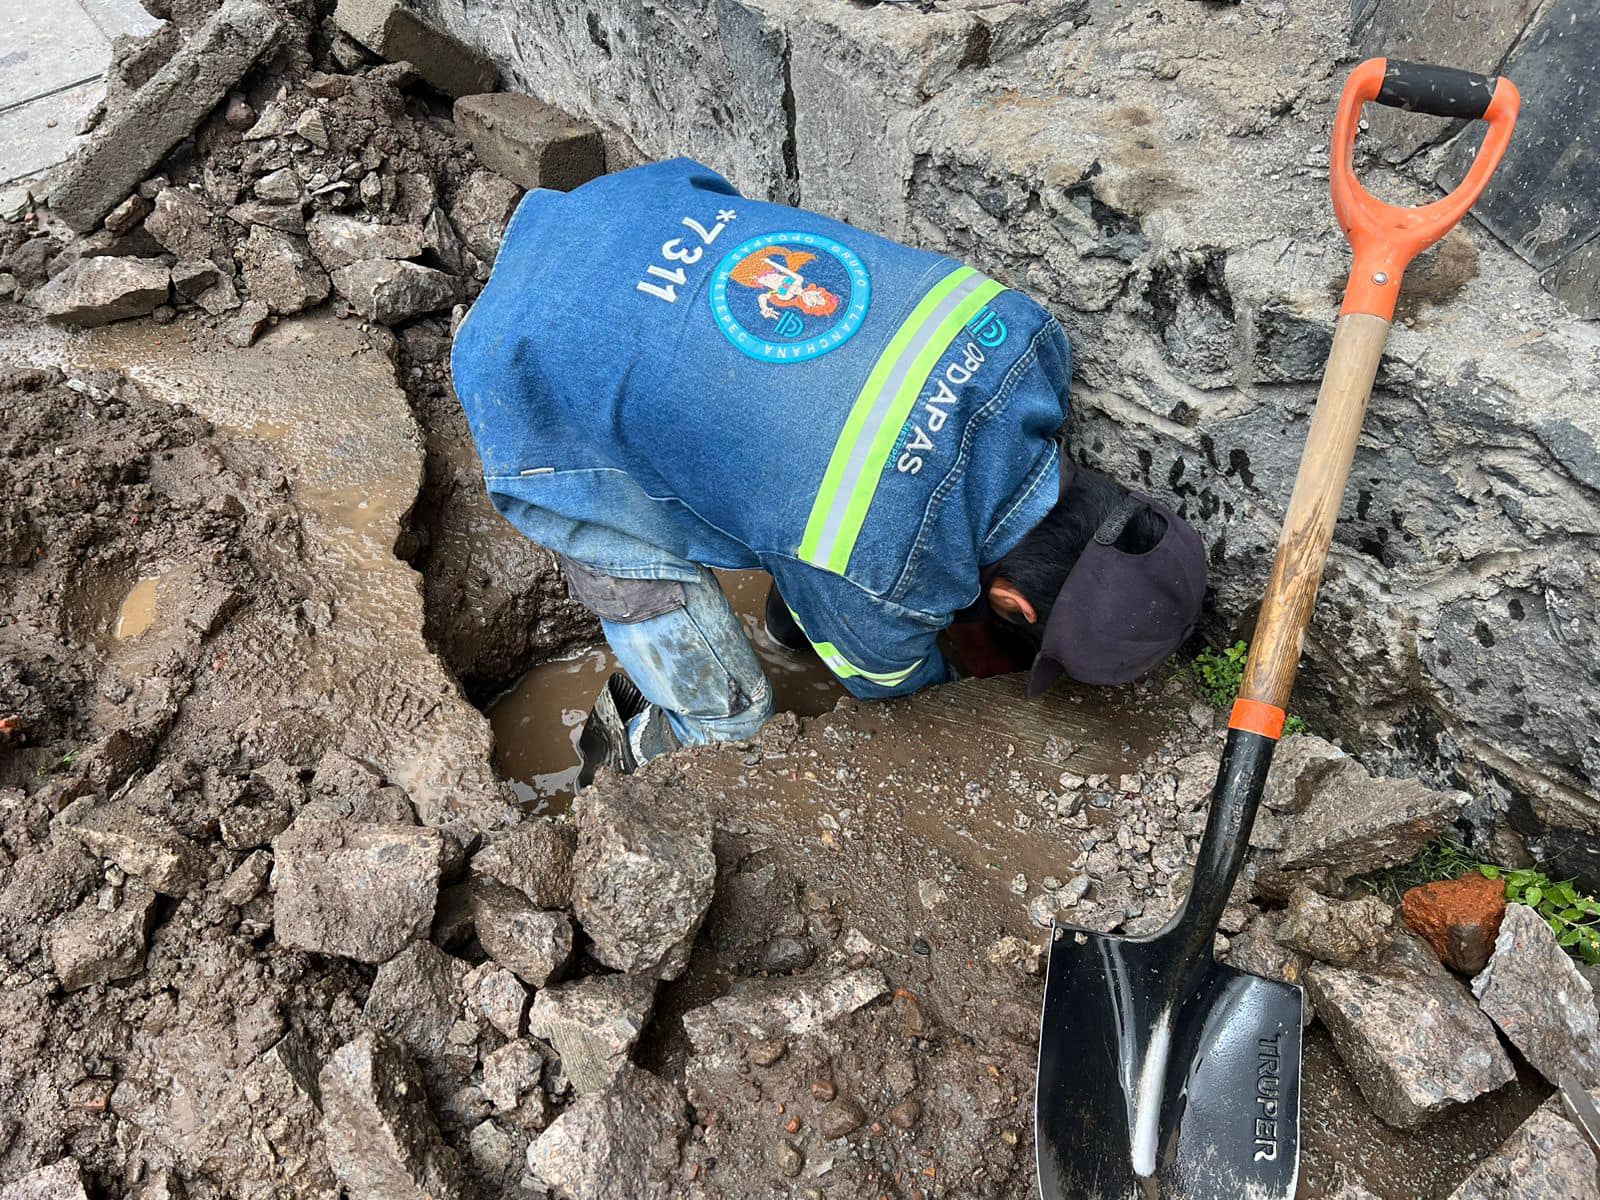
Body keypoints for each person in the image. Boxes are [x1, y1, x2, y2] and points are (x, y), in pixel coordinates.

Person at [451, 158, 1206, 781]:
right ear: (1010, 602)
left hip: (635, 208)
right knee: (731, 722)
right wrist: (958, 680)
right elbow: (899, 695)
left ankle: (798, 622)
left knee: (797, 487)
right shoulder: (878, 570)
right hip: (530, 370)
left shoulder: (1027, 339)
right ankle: (667, 747)